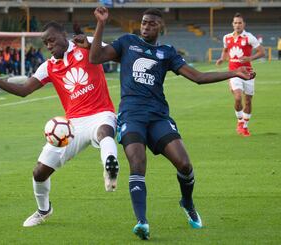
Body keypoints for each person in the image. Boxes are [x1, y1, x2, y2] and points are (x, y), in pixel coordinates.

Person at [88, 7, 256, 240]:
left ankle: (187, 203)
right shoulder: (127, 42)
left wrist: (234, 73)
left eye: (152, 24)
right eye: (144, 22)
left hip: (158, 116)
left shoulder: (167, 52)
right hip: (131, 116)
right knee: (137, 163)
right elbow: (95, 57)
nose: (146, 26)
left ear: (161, 28)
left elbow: (197, 77)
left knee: (184, 164)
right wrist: (101, 24)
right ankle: (142, 222)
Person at [0, 21, 120, 227]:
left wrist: (99, 27)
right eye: (46, 43)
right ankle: (44, 210)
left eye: (52, 39)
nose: (49, 45)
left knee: (105, 132)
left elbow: (114, 53)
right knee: (39, 172)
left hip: (101, 113)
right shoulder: (48, 66)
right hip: (71, 126)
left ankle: (110, 168)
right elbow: (25, 90)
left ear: (64, 35)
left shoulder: (85, 44)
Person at [216, 13, 265, 137]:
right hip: (234, 73)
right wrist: (222, 58)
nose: (237, 25)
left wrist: (250, 57)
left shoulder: (249, 37)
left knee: (248, 101)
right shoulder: (227, 37)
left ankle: (245, 126)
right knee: (238, 97)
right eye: (235, 23)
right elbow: (225, 49)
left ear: (244, 24)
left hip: (248, 74)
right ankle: (239, 121)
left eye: (240, 23)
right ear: (232, 24)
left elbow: (262, 52)